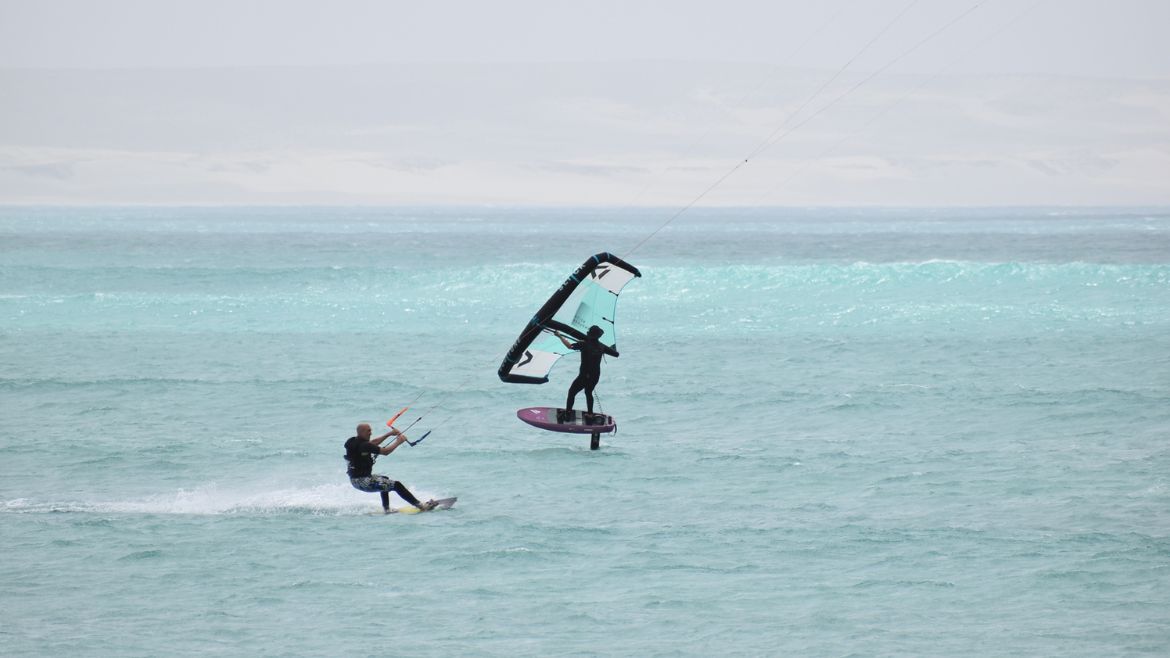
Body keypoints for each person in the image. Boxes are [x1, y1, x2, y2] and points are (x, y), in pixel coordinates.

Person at [344, 422, 436, 513]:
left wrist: (389, 434)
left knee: (384, 479)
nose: (371, 433)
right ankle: (421, 506)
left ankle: (386, 509)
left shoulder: (352, 441)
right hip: (363, 481)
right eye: (368, 431)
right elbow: (386, 452)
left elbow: (372, 443)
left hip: (356, 480)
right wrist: (398, 442)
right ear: (362, 432)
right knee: (396, 485)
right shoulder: (364, 445)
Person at [554, 325, 619, 423]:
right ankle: (590, 414)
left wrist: (559, 336)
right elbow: (615, 353)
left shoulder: (584, 344)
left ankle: (567, 413)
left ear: (589, 334)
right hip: (595, 376)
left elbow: (569, 346)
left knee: (572, 392)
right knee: (588, 392)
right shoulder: (601, 346)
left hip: (585, 375)